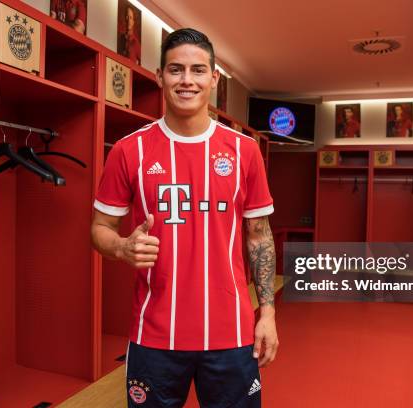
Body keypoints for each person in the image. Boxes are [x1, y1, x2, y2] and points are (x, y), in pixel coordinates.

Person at [91, 28, 278, 407]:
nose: (186, 80)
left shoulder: (245, 151)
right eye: (176, 70)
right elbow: (100, 228)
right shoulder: (130, 151)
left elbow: (259, 235)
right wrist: (122, 247)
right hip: (155, 337)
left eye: (197, 70)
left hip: (231, 333)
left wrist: (268, 313)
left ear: (213, 79)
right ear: (159, 77)